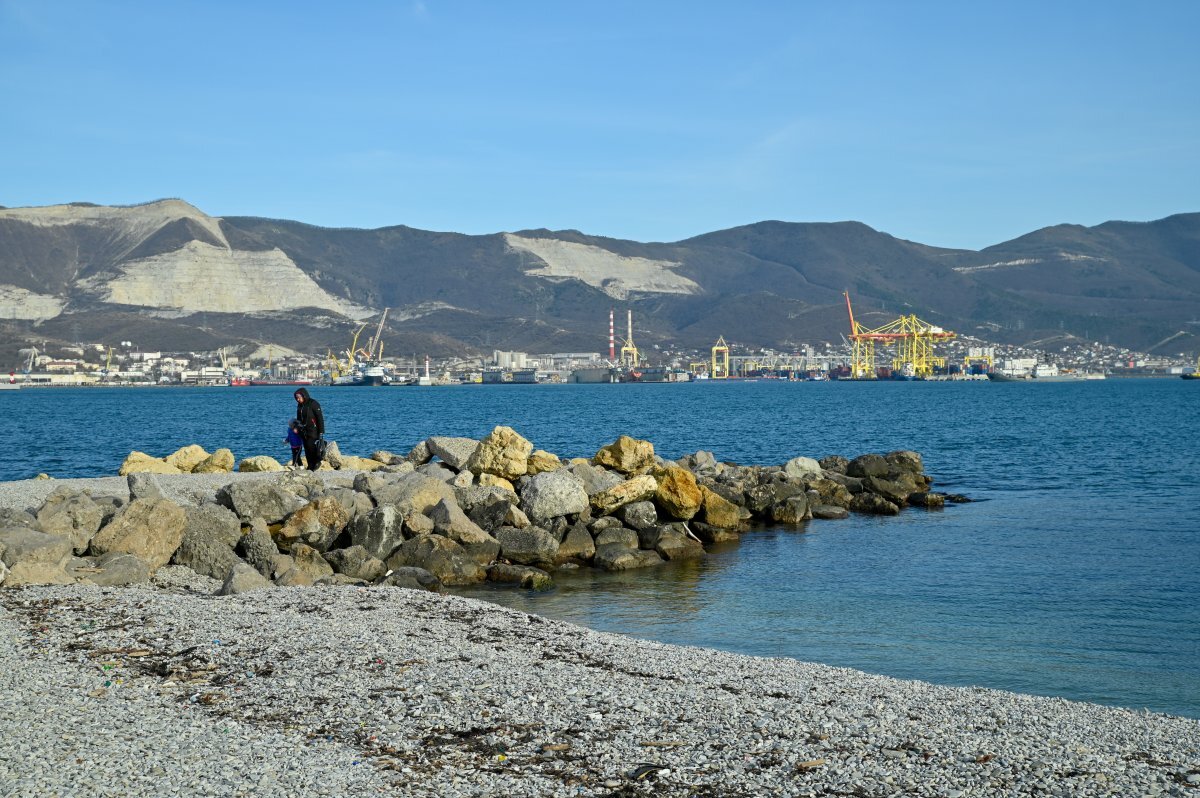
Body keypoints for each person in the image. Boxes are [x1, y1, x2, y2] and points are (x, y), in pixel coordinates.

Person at [294, 387, 325, 471]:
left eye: (299, 397)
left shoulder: (313, 403)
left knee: (313, 448)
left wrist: (321, 432)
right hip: (303, 431)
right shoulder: (299, 405)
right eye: (296, 398)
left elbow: (320, 418)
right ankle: (310, 466)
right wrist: (297, 428)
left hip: (313, 430)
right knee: (307, 449)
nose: (297, 399)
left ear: (304, 396)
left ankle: (316, 463)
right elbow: (298, 418)